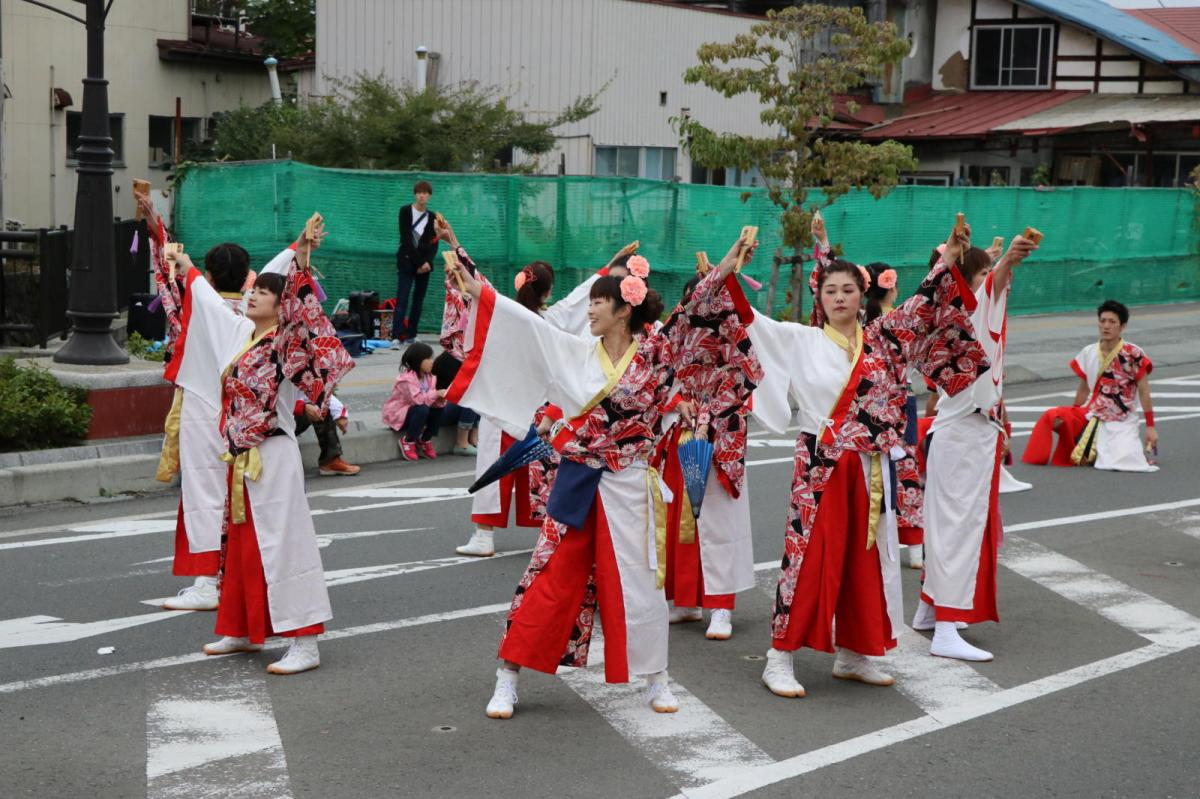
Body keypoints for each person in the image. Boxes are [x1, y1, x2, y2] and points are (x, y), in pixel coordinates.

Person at [446, 234, 757, 719]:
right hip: (578, 480)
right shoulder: (574, 352)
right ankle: (508, 675)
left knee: (640, 584)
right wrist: (478, 290)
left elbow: (689, 313)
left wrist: (722, 270)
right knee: (547, 577)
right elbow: (524, 324)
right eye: (589, 302)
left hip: (631, 481)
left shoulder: (656, 354)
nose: (589, 311)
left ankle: (657, 678)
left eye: (599, 303)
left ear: (624, 309)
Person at [745, 214, 993, 699]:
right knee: (810, 559)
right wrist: (729, 273)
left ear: (864, 296)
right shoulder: (801, 340)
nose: (839, 297)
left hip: (871, 467)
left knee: (865, 560)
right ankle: (780, 654)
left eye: (848, 290)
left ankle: (854, 653)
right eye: (830, 290)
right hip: (821, 466)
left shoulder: (885, 338)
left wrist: (948, 255)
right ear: (819, 298)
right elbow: (747, 323)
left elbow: (926, 302)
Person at [153, 213, 352, 675]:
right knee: (241, 546)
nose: (253, 294)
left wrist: (300, 255)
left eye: (264, 291)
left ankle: (306, 641)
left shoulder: (287, 344)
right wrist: (181, 261)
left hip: (274, 455)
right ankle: (241, 629)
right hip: (241, 459)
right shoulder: (240, 335)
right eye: (252, 289)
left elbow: (300, 308)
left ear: (283, 307)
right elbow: (202, 294)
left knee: (287, 545)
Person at [442, 219, 636, 558]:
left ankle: (484, 533)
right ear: (547, 292)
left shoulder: (507, 312)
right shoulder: (554, 318)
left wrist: (455, 241)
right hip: (539, 406)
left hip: (502, 399)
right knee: (540, 467)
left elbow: (478, 286)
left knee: (494, 463)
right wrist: (608, 266)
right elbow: (581, 299)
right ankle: (547, 531)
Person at [146, 195, 298, 612]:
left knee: (204, 493)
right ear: (249, 276)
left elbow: (172, 277)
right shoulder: (258, 309)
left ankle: (208, 581)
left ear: (209, 276)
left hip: (202, 410)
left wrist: (156, 225)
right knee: (243, 499)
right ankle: (243, 577)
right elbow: (276, 272)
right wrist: (296, 247)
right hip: (247, 418)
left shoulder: (200, 305)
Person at [916, 224, 1038, 663]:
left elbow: (989, 286)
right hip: (965, 434)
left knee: (947, 526)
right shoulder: (967, 312)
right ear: (968, 281)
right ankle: (946, 626)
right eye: (983, 274)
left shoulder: (944, 313)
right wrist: (1003, 263)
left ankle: (930, 611)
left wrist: (992, 260)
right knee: (958, 530)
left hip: (960, 431)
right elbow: (994, 285)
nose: (995, 282)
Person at [657, 270, 762, 642]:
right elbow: (657, 380)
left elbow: (748, 380)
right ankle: (685, 599)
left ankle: (720, 604)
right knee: (678, 521)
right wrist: (676, 402)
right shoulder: (674, 342)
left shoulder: (736, 342)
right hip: (679, 436)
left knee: (719, 523)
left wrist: (706, 418)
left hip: (721, 437)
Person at [1022, 300, 1158, 473]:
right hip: (1092, 412)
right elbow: (1084, 387)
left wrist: (1151, 426)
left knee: (1122, 461)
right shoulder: (1089, 351)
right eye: (1103, 321)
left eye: (1112, 322)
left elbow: (1144, 390)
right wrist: (1073, 415)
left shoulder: (1134, 353)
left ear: (1122, 326)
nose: (1106, 326)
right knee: (1053, 416)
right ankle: (1073, 444)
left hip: (1121, 417)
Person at [393, 180, 440, 345]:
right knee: (402, 298)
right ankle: (396, 335)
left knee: (418, 300)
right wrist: (420, 262)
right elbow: (406, 239)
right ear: (415, 194)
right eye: (419, 192)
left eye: (425, 193)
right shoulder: (405, 211)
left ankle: (412, 334)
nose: (422, 195)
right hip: (407, 262)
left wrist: (427, 263)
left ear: (429, 196)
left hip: (425, 266)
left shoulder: (433, 216)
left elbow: (434, 242)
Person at [382, 342, 447, 460]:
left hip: (419, 413)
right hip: (400, 416)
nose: (432, 361)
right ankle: (408, 440)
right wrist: (436, 393)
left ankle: (424, 439)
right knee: (421, 409)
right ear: (418, 360)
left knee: (439, 409)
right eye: (428, 358)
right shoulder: (406, 380)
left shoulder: (431, 377)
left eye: (431, 358)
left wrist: (441, 399)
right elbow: (418, 401)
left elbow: (431, 400)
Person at [294, 394, 361, 476]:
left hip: (292, 415)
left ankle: (330, 460)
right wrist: (302, 406)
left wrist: (339, 414)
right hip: (277, 421)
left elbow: (318, 391)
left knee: (322, 406)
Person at [432, 350, 480, 455]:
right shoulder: (452, 359)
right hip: (438, 410)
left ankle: (473, 439)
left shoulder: (458, 356)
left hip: (445, 406)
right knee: (471, 398)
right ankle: (462, 443)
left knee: (475, 394)